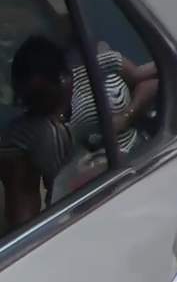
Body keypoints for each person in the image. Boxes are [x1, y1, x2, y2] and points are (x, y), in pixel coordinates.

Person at [1, 35, 159, 229]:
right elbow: (23, 202)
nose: (39, 106)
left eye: (45, 96)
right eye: (30, 100)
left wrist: (127, 115)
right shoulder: (27, 135)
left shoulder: (97, 68)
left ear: (64, 79)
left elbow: (157, 77)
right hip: (83, 210)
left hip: (143, 167)